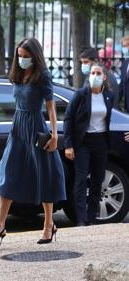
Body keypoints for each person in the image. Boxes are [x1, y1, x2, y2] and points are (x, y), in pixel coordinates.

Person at [0, 38, 66, 245]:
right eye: (20, 55)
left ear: (35, 57)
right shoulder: (17, 74)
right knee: (8, 174)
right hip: (18, 127)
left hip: (36, 128)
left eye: (26, 57)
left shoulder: (43, 76)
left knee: (44, 175)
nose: (22, 59)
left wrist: (55, 135)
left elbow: (51, 107)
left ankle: (48, 225)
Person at [64, 63, 114, 226]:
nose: (95, 76)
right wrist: (69, 144)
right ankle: (81, 219)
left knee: (97, 181)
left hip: (101, 142)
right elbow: (68, 118)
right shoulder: (81, 94)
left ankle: (92, 217)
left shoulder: (109, 95)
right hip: (83, 142)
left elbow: (112, 117)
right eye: (93, 73)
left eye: (98, 73)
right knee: (80, 179)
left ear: (104, 77)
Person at [117, 35, 129, 112]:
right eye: (123, 46)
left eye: (125, 46)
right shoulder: (125, 62)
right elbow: (122, 85)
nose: (123, 48)